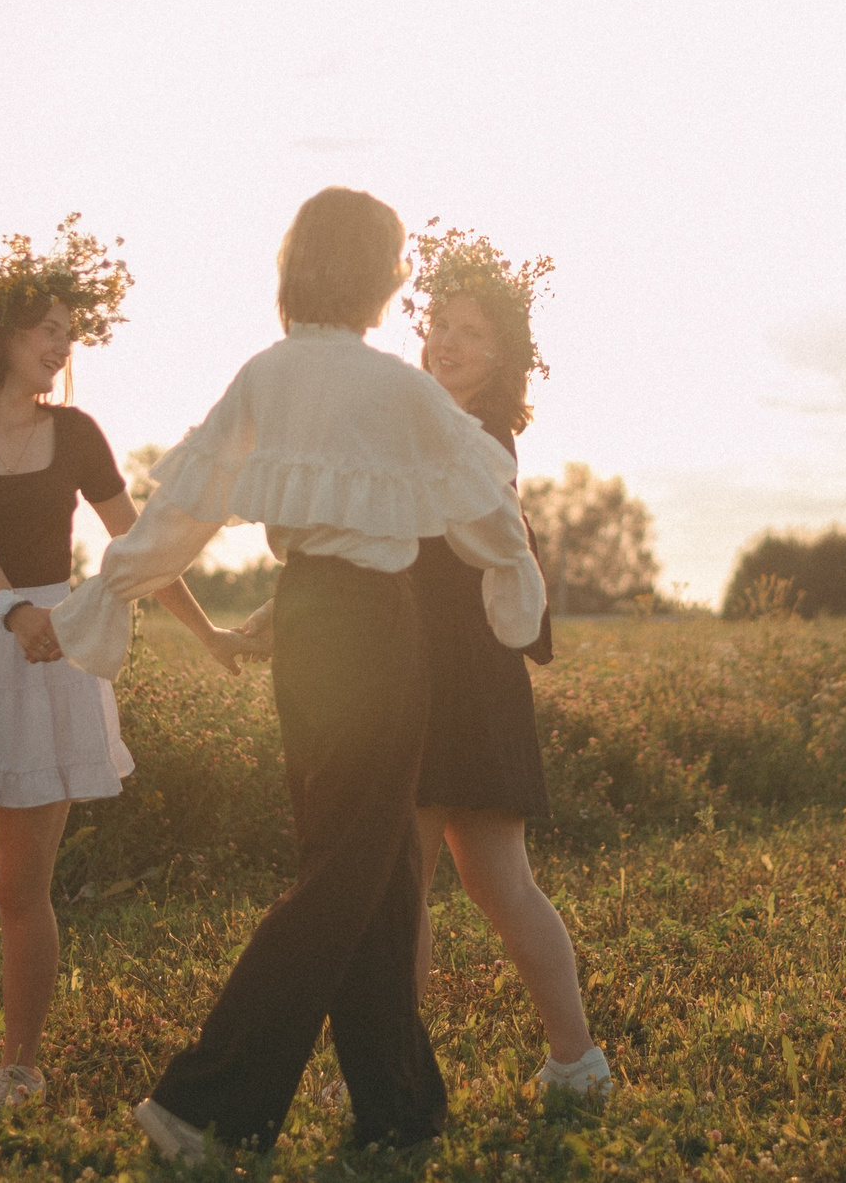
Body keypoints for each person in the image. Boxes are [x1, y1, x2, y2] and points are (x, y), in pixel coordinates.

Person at [45, 188, 545, 1161]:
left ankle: (398, 1105)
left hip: (309, 619)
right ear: (379, 273)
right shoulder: (395, 390)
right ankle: (205, 1103)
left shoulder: (266, 374)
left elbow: (182, 502)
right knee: (350, 870)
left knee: (382, 869)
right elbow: (486, 503)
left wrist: (112, 586)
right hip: (371, 622)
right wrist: (513, 583)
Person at [0, 220, 254, 1113]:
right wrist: (10, 610)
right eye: (49, 329)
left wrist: (210, 632)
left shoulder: (76, 434)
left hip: (53, 648)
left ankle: (19, 1067)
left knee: (21, 882)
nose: (64, 346)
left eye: (71, 331)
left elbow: (140, 546)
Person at [400, 227, 609, 1103]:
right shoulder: (431, 416)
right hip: (443, 672)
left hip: (457, 675)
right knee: (448, 878)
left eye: (472, 332)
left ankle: (570, 1058)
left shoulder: (476, 433)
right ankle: (572, 1060)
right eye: (441, 321)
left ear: (505, 356)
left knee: (448, 883)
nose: (449, 341)